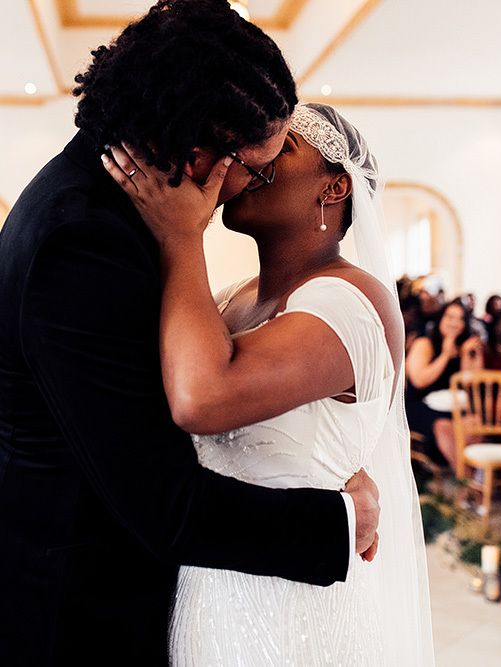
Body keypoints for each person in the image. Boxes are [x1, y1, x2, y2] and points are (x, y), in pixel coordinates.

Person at [0, 3, 379, 664]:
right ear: (200, 149)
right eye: (255, 168)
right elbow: (165, 505)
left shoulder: (106, 209)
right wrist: (339, 522)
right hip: (77, 614)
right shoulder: (81, 239)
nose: (250, 187)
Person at [104, 103, 434, 664]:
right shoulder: (232, 299)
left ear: (334, 188)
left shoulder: (350, 301)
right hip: (210, 584)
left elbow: (202, 397)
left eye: (283, 146)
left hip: (291, 607)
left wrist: (182, 234)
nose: (251, 155)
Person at [406, 300, 484, 468]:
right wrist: (445, 355)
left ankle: (465, 473)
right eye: (450, 317)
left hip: (452, 407)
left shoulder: (464, 346)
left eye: (460, 319)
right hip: (420, 405)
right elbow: (419, 381)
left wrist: (467, 355)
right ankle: (464, 476)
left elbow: (470, 385)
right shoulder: (424, 343)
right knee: (444, 426)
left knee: (475, 422)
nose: (454, 323)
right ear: (440, 319)